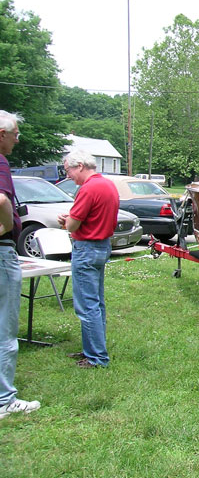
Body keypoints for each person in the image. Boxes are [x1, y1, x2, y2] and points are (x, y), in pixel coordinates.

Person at [57, 150, 119, 368]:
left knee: (87, 305)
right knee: (96, 303)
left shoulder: (88, 188)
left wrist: (66, 221)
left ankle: (96, 358)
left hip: (86, 248)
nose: (68, 176)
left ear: (80, 166)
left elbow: (73, 225)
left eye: (68, 170)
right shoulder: (108, 185)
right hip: (102, 247)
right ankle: (92, 349)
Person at [0, 110, 41, 419]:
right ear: (2, 134)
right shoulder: (1, 161)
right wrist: (4, 228)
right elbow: (2, 200)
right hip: (2, 253)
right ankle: (4, 400)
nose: (18, 139)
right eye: (15, 134)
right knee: (5, 328)